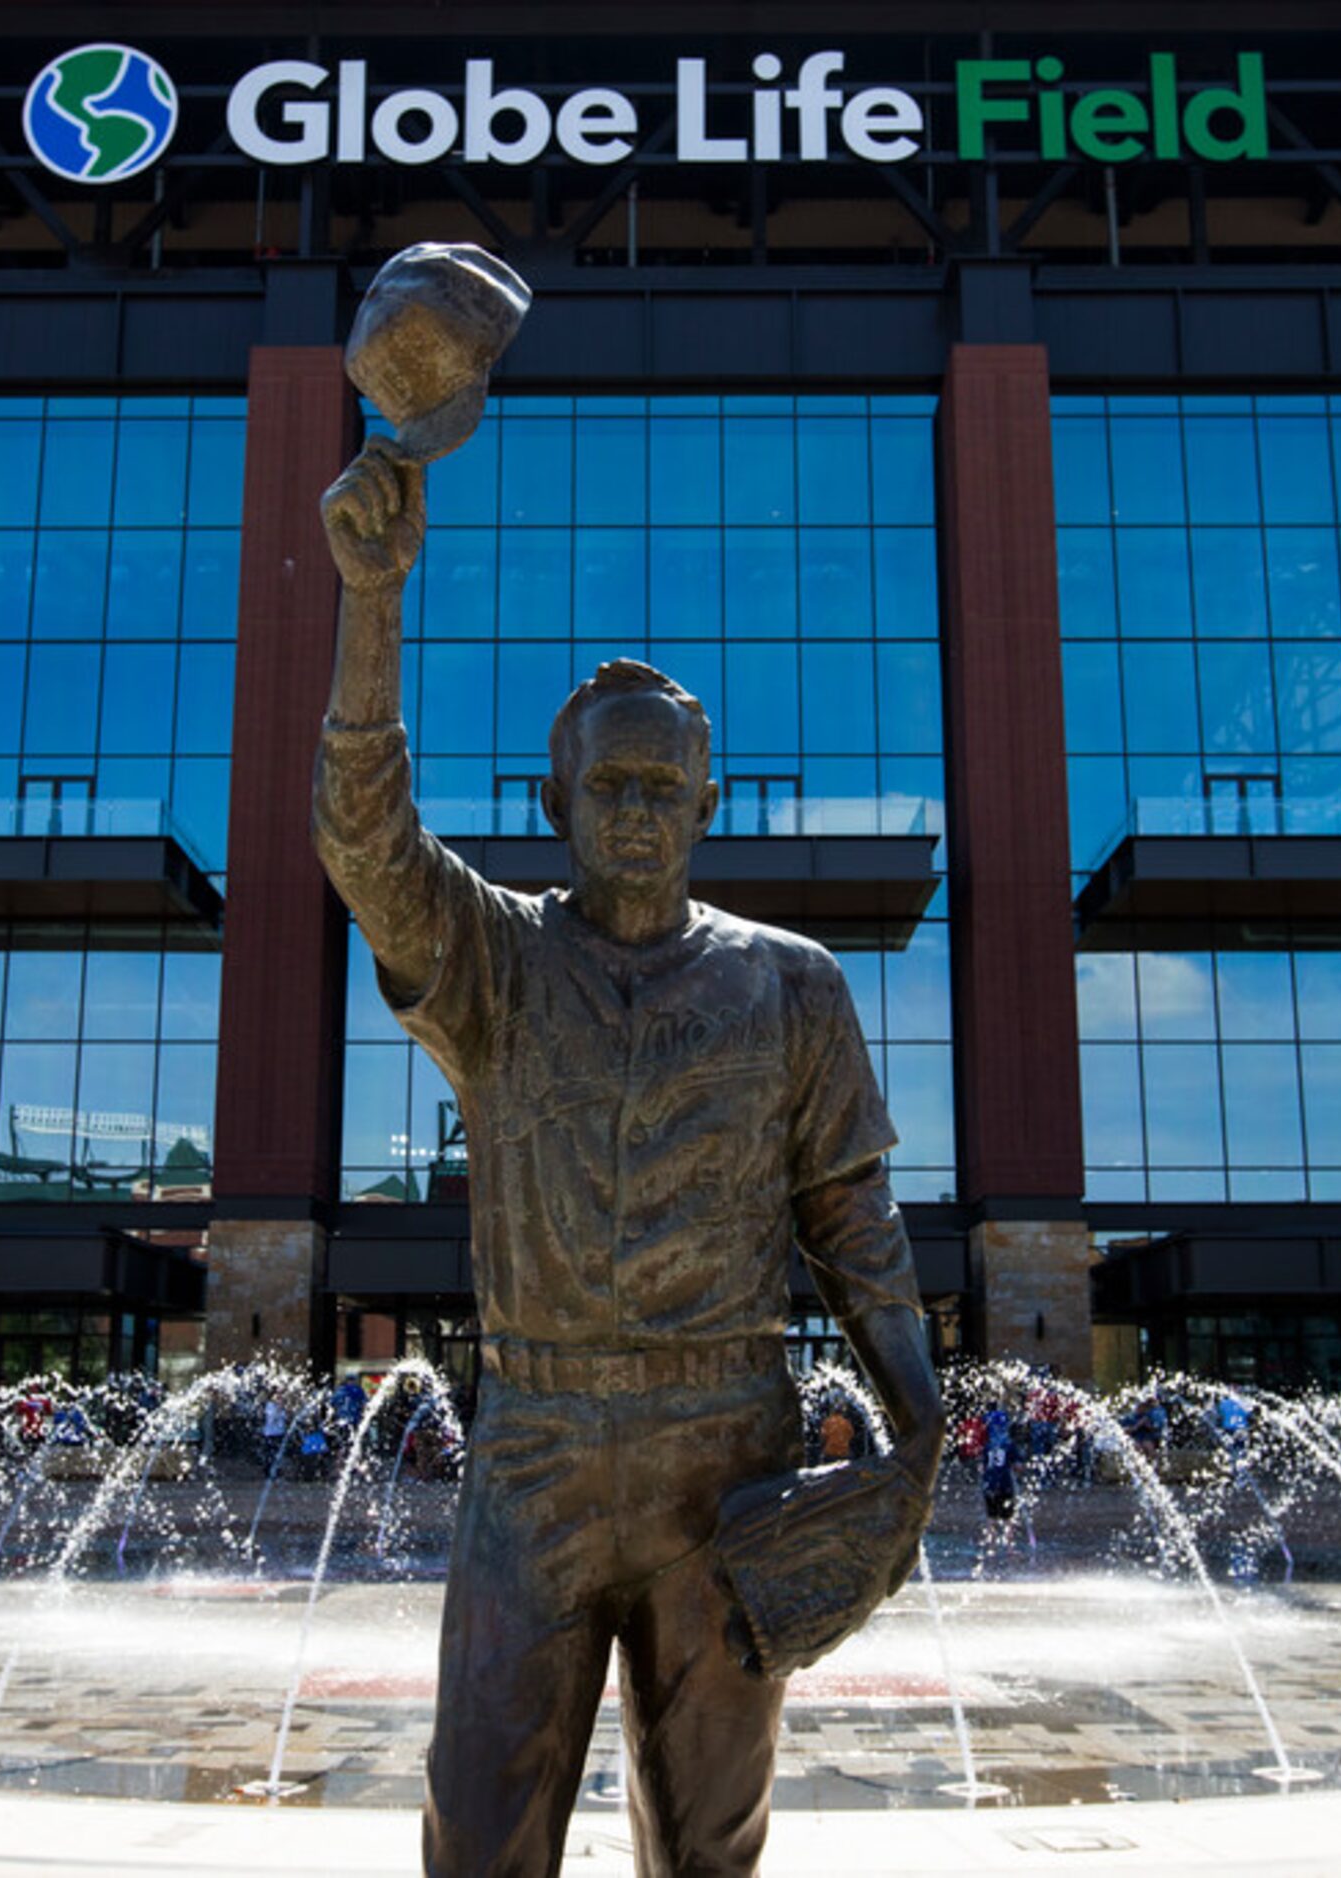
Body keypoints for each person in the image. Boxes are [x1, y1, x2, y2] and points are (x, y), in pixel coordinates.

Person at [318, 406, 943, 1877]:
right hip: (532, 1451)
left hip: (727, 1461)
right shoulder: (494, 963)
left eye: (668, 788)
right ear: (555, 803)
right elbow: (365, 840)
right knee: (477, 1831)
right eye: (613, 785)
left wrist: (918, 1421)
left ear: (711, 804)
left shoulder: (794, 983)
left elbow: (854, 1216)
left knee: (709, 1843)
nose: (642, 813)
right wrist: (370, 601)